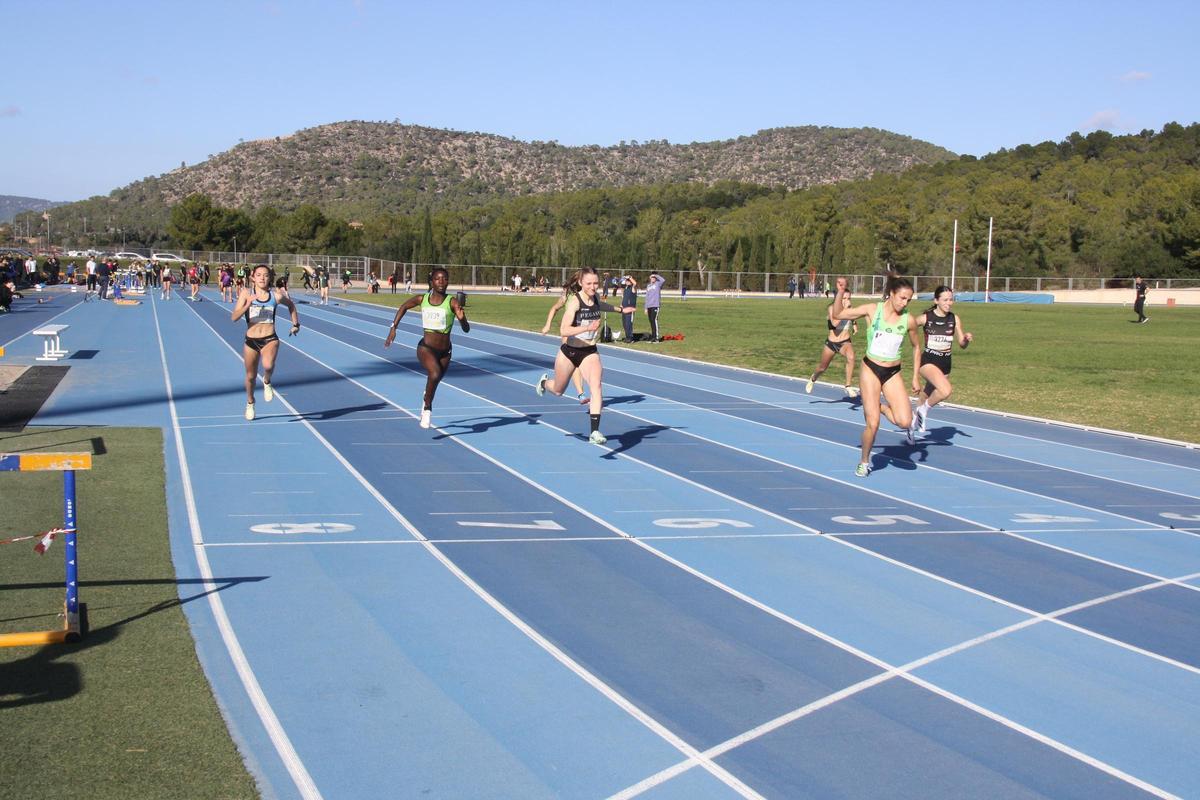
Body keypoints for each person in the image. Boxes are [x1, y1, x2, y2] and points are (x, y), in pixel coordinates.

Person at [832, 276, 921, 477]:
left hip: (892, 373)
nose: (904, 303)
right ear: (891, 294)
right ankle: (864, 461)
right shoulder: (873, 310)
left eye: (908, 300)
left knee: (905, 422)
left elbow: (917, 347)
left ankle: (876, 405)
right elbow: (838, 314)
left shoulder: (908, 320)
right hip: (870, 369)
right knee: (873, 424)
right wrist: (840, 291)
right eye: (902, 298)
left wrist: (915, 376)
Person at [535, 267, 619, 444]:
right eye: (589, 283)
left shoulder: (595, 297)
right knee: (558, 390)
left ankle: (594, 432)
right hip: (569, 351)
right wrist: (587, 328)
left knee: (596, 386)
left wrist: (620, 310)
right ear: (581, 283)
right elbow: (564, 330)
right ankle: (544, 382)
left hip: (589, 351)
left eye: (596, 283)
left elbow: (600, 305)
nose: (593, 286)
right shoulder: (573, 301)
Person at [383, 267, 469, 429]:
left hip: (446, 352)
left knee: (435, 380)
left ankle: (426, 400)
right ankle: (428, 409)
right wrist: (393, 328)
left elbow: (466, 329)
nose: (441, 282)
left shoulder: (452, 302)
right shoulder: (422, 299)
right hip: (426, 348)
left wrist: (462, 319)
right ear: (431, 282)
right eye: (438, 279)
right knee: (434, 373)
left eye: (445, 279)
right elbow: (403, 307)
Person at [231, 265, 300, 421]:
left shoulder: (275, 296)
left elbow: (291, 305)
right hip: (251, 341)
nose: (262, 278)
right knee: (250, 377)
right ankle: (250, 402)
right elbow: (234, 317)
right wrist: (247, 304)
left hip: (270, 338)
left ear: (270, 278)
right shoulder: (246, 293)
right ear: (253, 278)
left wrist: (296, 324)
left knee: (268, 365)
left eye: (266, 275)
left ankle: (267, 381)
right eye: (259, 275)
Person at [911, 286, 973, 434]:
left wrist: (966, 340)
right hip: (928, 361)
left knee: (926, 394)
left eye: (951, 299)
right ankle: (924, 411)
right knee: (945, 391)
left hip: (945, 363)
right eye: (945, 300)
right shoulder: (926, 317)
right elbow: (907, 324)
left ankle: (913, 423)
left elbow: (962, 345)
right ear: (936, 300)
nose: (949, 303)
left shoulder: (954, 318)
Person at [540, 281, 590, 404]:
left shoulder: (588, 297)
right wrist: (547, 325)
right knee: (559, 389)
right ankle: (544, 383)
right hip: (568, 336)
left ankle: (580, 394)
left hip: (581, 335)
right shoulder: (567, 297)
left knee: (577, 364)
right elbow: (554, 308)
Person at [805, 291, 859, 397]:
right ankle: (813, 378)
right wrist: (844, 311)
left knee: (851, 357)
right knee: (822, 367)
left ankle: (848, 386)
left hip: (845, 342)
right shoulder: (831, 308)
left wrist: (854, 323)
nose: (847, 301)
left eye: (849, 298)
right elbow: (834, 324)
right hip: (831, 343)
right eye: (844, 298)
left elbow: (853, 315)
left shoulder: (849, 307)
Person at [644, 271, 665, 342]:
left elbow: (663, 280)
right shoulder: (648, 286)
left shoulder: (658, 284)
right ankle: (653, 337)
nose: (653, 278)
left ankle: (656, 337)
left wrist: (656, 275)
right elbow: (647, 297)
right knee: (651, 321)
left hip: (655, 305)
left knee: (654, 320)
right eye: (652, 277)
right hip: (649, 306)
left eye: (654, 277)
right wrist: (645, 308)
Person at [619, 275, 638, 341]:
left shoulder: (633, 288)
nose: (626, 282)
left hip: (630, 309)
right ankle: (627, 336)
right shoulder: (626, 288)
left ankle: (630, 337)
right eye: (626, 281)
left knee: (628, 323)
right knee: (624, 324)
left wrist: (630, 277)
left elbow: (635, 283)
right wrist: (621, 304)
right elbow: (623, 297)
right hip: (624, 308)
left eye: (628, 281)